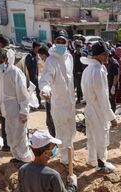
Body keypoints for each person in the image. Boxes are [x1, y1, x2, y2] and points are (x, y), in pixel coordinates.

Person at [39, 32, 76, 165]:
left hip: (70, 102)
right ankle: (65, 160)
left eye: (63, 41)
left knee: (71, 130)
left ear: (67, 42)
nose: (60, 44)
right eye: (58, 41)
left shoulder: (69, 57)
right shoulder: (51, 60)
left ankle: (70, 153)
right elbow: (45, 79)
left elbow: (70, 80)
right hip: (59, 103)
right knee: (61, 131)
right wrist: (45, 89)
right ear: (55, 42)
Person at [81, 41, 118, 174]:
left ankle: (92, 160)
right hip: (97, 109)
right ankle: (101, 164)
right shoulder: (97, 71)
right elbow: (102, 97)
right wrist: (111, 117)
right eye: (105, 54)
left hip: (90, 108)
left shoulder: (88, 69)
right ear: (98, 55)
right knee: (101, 136)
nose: (107, 56)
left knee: (92, 136)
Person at [0, 48, 33, 165]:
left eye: (0, 62)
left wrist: (24, 111)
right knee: (11, 134)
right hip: (8, 111)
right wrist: (1, 105)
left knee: (20, 136)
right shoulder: (1, 72)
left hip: (17, 110)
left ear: (6, 59)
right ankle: (17, 156)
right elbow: (3, 92)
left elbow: (23, 94)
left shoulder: (15, 72)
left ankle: (25, 159)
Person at [0, 35, 12, 152]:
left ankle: (7, 144)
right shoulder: (15, 55)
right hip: (13, 97)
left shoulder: (0, 58)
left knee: (4, 119)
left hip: (3, 96)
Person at [37, 46, 55, 137]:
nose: (41, 58)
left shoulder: (50, 62)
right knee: (49, 120)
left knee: (50, 120)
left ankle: (54, 139)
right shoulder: (50, 62)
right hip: (49, 97)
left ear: (44, 54)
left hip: (51, 98)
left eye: (41, 56)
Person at [25, 41, 41, 107]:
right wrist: (27, 78)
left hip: (35, 76)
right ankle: (30, 105)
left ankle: (39, 104)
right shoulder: (29, 56)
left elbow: (36, 66)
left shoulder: (36, 55)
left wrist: (37, 75)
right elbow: (26, 68)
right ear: (34, 48)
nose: (39, 50)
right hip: (30, 78)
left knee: (38, 90)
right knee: (30, 92)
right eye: (38, 48)